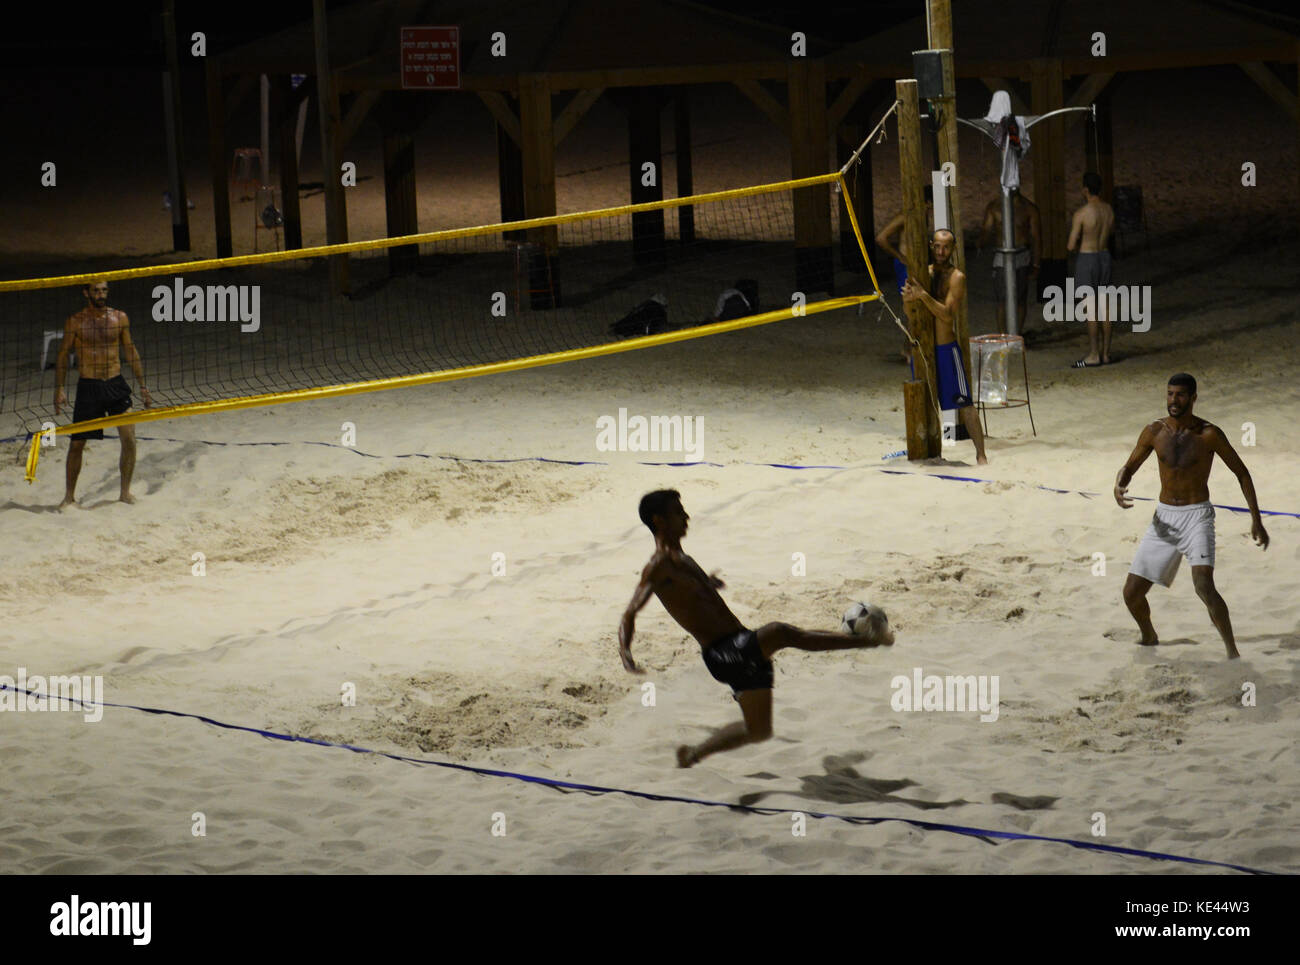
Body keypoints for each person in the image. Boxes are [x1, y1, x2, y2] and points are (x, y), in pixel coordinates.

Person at [618, 490, 893, 767]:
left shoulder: (683, 560)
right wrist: (626, 651)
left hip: (740, 645)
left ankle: (692, 754)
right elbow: (630, 612)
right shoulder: (658, 564)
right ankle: (867, 641)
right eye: (678, 512)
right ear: (659, 520)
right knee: (780, 633)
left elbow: (693, 595)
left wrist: (707, 584)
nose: (687, 516)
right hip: (723, 652)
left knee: (759, 731)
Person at [1114, 374, 1268, 659]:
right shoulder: (1154, 431)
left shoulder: (1209, 434)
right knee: (1131, 593)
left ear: (1193, 398)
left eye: (1181, 395)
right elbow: (1129, 465)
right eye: (1170, 394)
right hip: (1165, 518)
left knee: (1204, 586)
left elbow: (1242, 473)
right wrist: (1119, 482)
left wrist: (1256, 519)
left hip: (1197, 516)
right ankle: (1149, 636)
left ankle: (1232, 652)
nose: (1174, 400)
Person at [54, 280, 152, 508]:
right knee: (77, 444)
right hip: (89, 386)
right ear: (86, 292)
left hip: (116, 383)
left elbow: (130, 351)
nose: (101, 294)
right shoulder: (75, 321)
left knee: (129, 439)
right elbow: (62, 355)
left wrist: (143, 385)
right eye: (96, 290)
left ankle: (125, 492)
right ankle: (69, 497)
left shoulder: (119, 318)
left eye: (104, 290)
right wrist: (59, 389)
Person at [902, 228, 988, 465]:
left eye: (946, 247)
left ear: (953, 249)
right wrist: (909, 300)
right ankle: (929, 454)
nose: (941, 251)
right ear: (931, 245)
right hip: (923, 350)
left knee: (965, 404)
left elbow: (948, 315)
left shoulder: (957, 277)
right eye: (937, 246)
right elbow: (910, 313)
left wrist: (922, 296)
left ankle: (981, 455)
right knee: (925, 403)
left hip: (946, 350)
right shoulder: (923, 272)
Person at [875, 186, 933, 361]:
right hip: (905, 266)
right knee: (912, 308)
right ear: (927, 202)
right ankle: (909, 350)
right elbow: (881, 238)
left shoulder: (924, 215)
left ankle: (908, 348)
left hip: (918, 265)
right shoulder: (905, 216)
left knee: (919, 306)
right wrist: (900, 256)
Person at [1068, 172, 1117, 367]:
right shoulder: (1109, 210)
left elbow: (1071, 245)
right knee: (1105, 308)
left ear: (1085, 189)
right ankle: (1106, 353)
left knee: (1091, 310)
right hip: (1104, 256)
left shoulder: (1082, 213)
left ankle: (1094, 354)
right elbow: (1111, 233)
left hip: (1087, 258)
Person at [978, 187, 1040, 335]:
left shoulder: (1028, 208)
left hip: (1021, 254)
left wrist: (1037, 263)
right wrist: (980, 242)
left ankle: (1016, 334)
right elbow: (986, 230)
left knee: (1020, 298)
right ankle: (1002, 334)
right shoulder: (995, 207)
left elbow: (1036, 237)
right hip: (1002, 255)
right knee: (1001, 298)